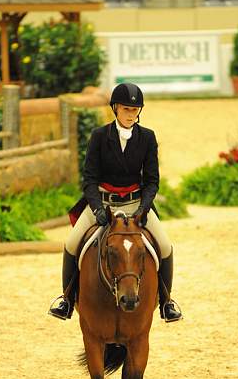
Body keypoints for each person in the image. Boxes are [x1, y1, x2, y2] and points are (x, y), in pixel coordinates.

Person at [48, 82, 183, 323]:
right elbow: (89, 179)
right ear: (115, 109)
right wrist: (98, 208)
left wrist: (143, 209)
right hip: (103, 204)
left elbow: (152, 181)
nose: (131, 115)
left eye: (135, 110)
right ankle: (66, 300)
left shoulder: (148, 138)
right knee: (71, 243)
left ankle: (166, 302)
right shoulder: (99, 136)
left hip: (135, 204)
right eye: (126, 109)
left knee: (164, 245)